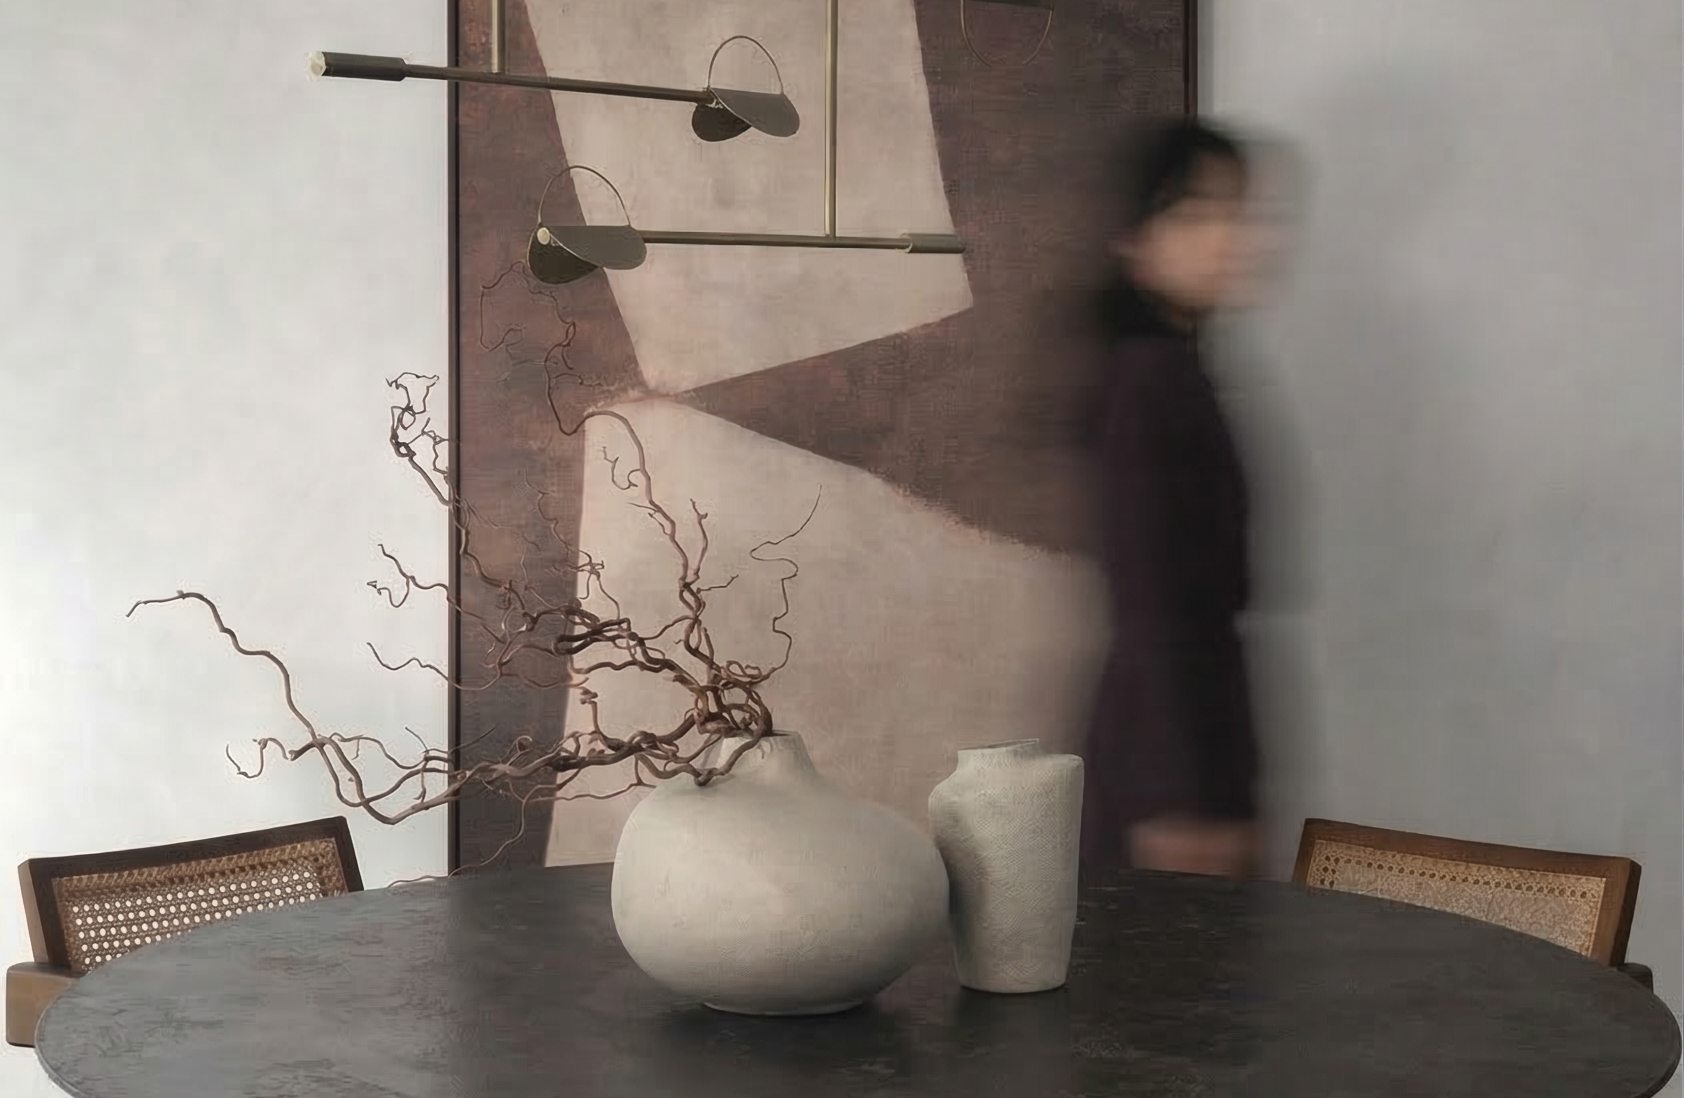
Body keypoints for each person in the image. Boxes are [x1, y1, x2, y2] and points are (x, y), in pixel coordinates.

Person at [1080, 117, 1275, 880]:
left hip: (1198, 740)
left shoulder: (1177, 374)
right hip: (1171, 766)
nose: (1229, 236)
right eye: (1196, 213)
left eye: (1237, 211)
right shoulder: (1147, 382)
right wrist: (1181, 798)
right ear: (1137, 241)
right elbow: (1151, 602)